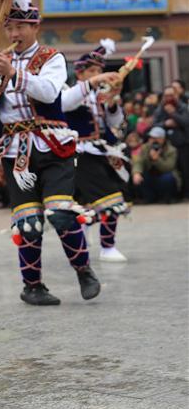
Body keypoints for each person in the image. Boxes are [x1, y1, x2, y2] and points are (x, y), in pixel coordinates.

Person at [0, 0, 100, 306]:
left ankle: (84, 270)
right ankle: (32, 286)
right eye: (9, 27)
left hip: (53, 145)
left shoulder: (51, 58)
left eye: (20, 27)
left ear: (35, 27)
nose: (14, 33)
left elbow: (49, 92)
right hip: (15, 151)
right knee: (27, 221)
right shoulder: (0, 60)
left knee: (59, 213)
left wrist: (14, 73)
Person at [62, 39, 130, 262]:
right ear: (80, 74)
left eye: (99, 70)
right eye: (92, 70)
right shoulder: (71, 93)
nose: (98, 74)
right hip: (80, 154)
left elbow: (115, 120)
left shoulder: (100, 95)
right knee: (111, 198)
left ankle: (94, 238)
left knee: (88, 204)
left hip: (101, 151)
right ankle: (107, 248)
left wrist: (111, 102)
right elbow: (67, 105)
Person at [132, 127, 181, 203]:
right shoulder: (145, 147)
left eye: (156, 138)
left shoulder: (171, 150)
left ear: (163, 139)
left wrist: (157, 160)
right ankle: (149, 198)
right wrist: (136, 173)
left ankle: (167, 198)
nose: (153, 140)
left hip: (163, 175)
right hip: (150, 175)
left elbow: (169, 167)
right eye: (151, 138)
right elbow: (139, 161)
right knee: (140, 177)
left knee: (168, 178)